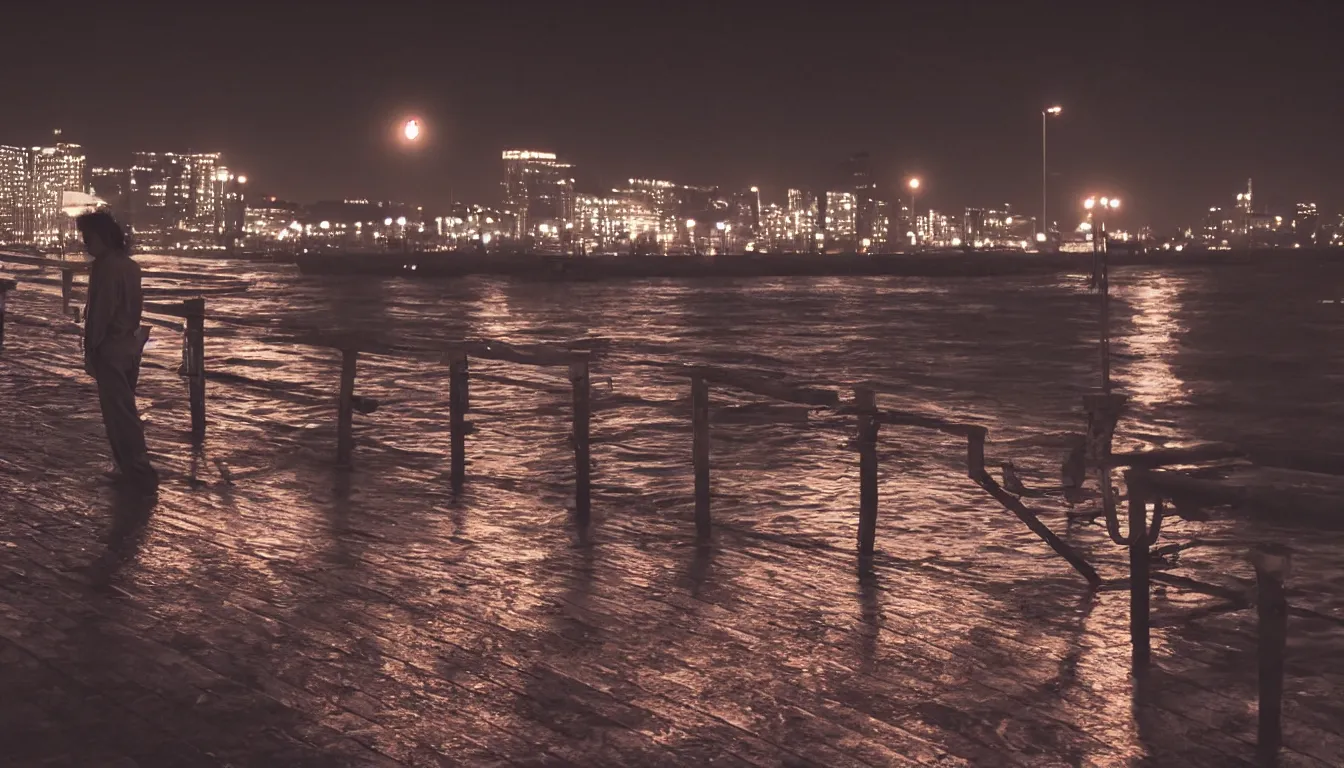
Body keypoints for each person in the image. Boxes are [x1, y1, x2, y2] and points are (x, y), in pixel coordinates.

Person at [78, 211, 158, 491]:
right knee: (126, 408)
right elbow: (133, 307)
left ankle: (136, 469)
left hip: (109, 348)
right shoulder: (130, 266)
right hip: (129, 346)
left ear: (102, 236)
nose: (85, 244)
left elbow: (100, 313)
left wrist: (90, 350)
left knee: (118, 413)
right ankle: (132, 466)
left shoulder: (105, 267)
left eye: (87, 238)